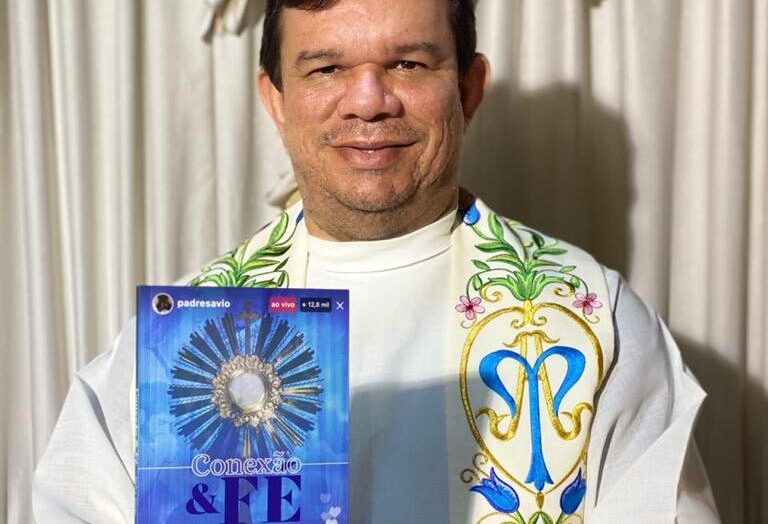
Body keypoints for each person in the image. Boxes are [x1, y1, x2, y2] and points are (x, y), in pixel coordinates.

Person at [34, 0, 721, 522]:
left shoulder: (594, 317)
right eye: (326, 68)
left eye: (408, 64)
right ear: (276, 100)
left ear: (469, 90)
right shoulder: (175, 341)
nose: (368, 101)